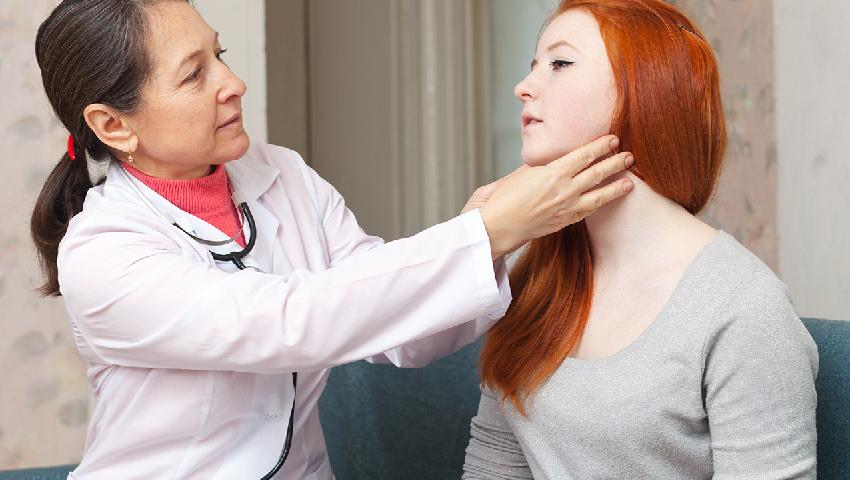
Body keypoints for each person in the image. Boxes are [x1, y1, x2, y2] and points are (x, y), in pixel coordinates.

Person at [30, 1, 635, 478]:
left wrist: (495, 240)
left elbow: (399, 329)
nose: (234, 82)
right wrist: (486, 230)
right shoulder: (102, 254)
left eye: (221, 54)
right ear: (114, 125)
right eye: (194, 75)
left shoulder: (283, 175)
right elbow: (287, 322)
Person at [463, 1, 818, 478]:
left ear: (644, 90)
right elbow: (494, 467)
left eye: (560, 63)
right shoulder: (534, 271)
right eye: (533, 66)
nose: (524, 87)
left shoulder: (745, 311)